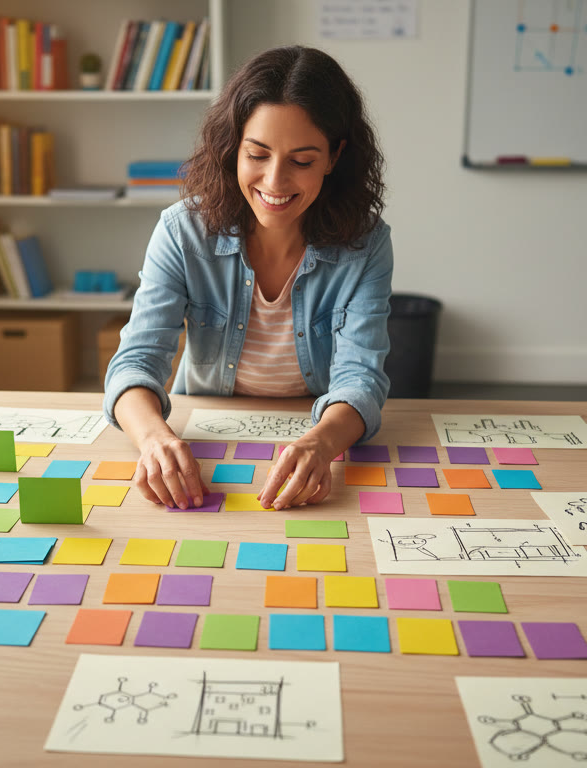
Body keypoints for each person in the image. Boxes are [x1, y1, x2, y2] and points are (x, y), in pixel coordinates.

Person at [103, 45, 392, 512]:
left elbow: (361, 376)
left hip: (313, 434)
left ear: (335, 156)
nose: (275, 182)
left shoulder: (366, 243)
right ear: (233, 145)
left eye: (302, 161)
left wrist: (321, 444)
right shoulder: (181, 231)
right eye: (257, 154)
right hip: (203, 430)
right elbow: (135, 361)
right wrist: (154, 437)